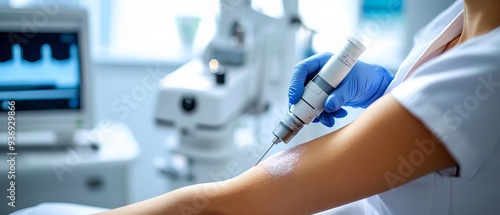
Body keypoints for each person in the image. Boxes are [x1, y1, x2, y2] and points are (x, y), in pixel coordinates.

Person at [100, 0, 500, 214]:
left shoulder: (489, 65)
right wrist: (390, 88)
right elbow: (432, 135)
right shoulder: (456, 19)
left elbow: (223, 207)